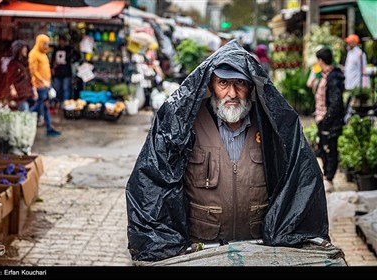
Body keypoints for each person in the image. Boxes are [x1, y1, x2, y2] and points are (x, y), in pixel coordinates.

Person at [126, 40, 330, 262]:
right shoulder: (186, 126)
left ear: (251, 86)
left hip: (259, 251)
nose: (232, 93)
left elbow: (300, 180)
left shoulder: (271, 129)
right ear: (210, 84)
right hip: (201, 252)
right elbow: (152, 183)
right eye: (223, 83)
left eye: (239, 83)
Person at [314, 47, 345, 193]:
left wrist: (327, 120)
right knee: (323, 148)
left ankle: (329, 177)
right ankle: (327, 176)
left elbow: (336, 102)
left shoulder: (333, 77)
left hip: (329, 121)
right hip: (322, 118)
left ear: (321, 60)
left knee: (330, 149)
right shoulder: (325, 75)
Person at [28, 34, 61, 137]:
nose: (47, 46)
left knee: (45, 106)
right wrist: (42, 81)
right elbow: (33, 71)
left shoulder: (43, 54)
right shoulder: (34, 54)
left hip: (45, 85)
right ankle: (25, 115)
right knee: (39, 105)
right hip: (39, 86)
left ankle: (49, 128)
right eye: (45, 43)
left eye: (47, 43)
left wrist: (48, 83)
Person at [343, 34, 370, 123]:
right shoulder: (350, 53)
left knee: (353, 106)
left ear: (354, 43)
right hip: (349, 85)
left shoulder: (360, 54)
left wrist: (365, 86)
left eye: (349, 42)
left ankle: (349, 121)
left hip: (356, 85)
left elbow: (363, 70)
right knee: (348, 104)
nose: (348, 44)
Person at [7, 40, 38, 111]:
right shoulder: (13, 64)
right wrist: (12, 89)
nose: (26, 50)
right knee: (24, 113)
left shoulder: (26, 63)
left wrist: (34, 90)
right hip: (19, 94)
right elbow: (9, 78)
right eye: (24, 48)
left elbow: (30, 78)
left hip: (28, 93)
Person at [50, 34, 80, 105]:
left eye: (62, 41)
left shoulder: (69, 49)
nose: (61, 42)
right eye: (60, 41)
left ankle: (65, 103)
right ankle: (59, 103)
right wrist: (52, 68)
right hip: (58, 73)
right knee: (58, 89)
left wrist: (71, 61)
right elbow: (52, 60)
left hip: (66, 72)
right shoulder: (56, 49)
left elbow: (78, 56)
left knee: (66, 89)